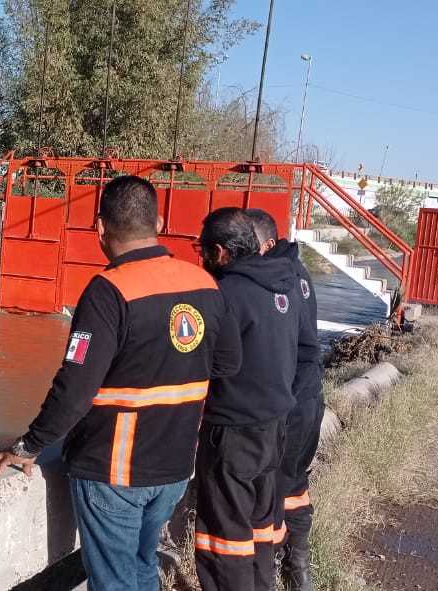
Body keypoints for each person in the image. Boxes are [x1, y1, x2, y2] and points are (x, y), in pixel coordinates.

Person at [0, 175, 240, 591]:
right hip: (175, 468)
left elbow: (74, 389)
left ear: (100, 228)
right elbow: (229, 364)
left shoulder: (109, 291)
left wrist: (26, 447)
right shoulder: (205, 285)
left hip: (116, 472)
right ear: (158, 222)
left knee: (116, 581)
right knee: (143, 568)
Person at [193, 207, 300, 591]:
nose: (202, 259)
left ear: (220, 252)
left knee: (224, 537)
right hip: (274, 428)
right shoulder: (283, 284)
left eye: (202, 251)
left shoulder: (224, 294)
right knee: (259, 527)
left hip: (233, 431)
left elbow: (216, 364)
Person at [246, 209, 323, 591]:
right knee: (294, 484)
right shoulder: (298, 273)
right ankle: (299, 572)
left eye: (248, 244)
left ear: (268, 244)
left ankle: (269, 576)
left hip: (287, 405)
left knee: (272, 495)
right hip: (310, 398)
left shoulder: (270, 281)